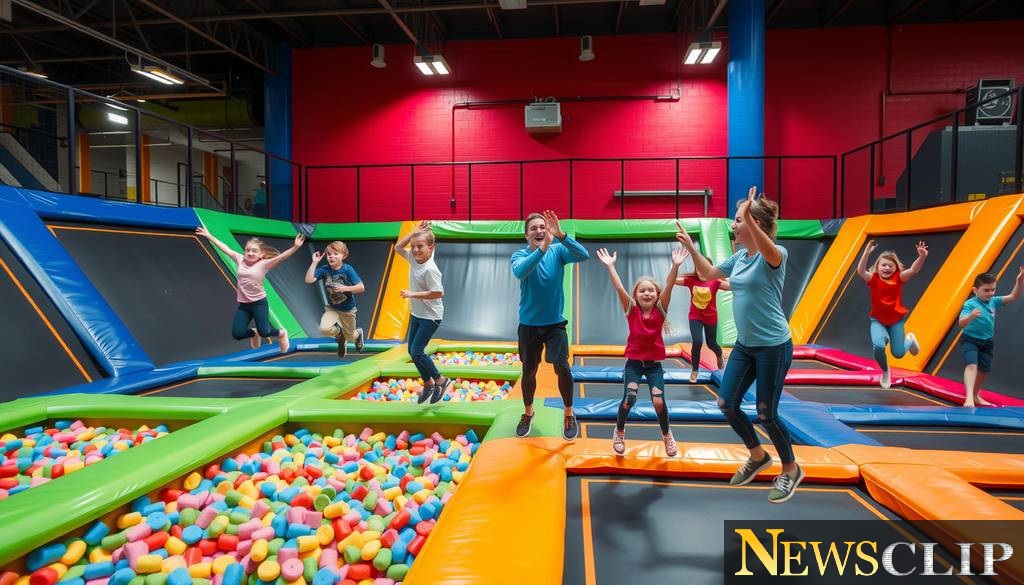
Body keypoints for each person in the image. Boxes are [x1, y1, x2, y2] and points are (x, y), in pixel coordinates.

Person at [675, 186, 801, 504]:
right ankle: (758, 456)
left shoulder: (776, 255)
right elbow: (708, 273)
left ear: (756, 224)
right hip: (745, 346)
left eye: (739, 219)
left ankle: (790, 469)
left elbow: (767, 247)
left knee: (766, 414)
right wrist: (691, 247)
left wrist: (749, 214)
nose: (733, 225)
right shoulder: (741, 257)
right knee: (726, 403)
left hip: (773, 346)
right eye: (735, 219)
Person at [596, 246, 685, 457]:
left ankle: (667, 435)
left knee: (658, 401)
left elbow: (669, 286)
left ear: (657, 295)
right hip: (634, 365)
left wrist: (675, 266)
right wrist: (611, 267)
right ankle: (619, 431)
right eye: (642, 290)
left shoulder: (660, 310)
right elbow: (619, 288)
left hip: (654, 366)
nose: (646, 293)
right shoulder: (631, 309)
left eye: (651, 290)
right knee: (629, 399)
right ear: (635, 295)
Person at [511, 210, 590, 441]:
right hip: (529, 325)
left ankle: (569, 413)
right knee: (529, 370)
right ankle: (528, 412)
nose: (539, 231)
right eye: (533, 228)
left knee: (562, 367)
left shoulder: (558, 251)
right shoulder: (519, 255)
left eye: (542, 228)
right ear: (526, 235)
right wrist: (542, 249)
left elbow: (583, 254)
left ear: (548, 231)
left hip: (555, 324)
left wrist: (562, 236)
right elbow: (521, 272)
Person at [195, 227, 303, 352]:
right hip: (244, 305)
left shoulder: (264, 264)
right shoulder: (240, 259)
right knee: (238, 334)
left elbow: (282, 257)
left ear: (261, 254)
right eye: (248, 250)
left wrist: (295, 247)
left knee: (265, 332)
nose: (250, 253)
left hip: (259, 304)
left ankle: (281, 333)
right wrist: (209, 236)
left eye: (254, 251)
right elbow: (225, 248)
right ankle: (254, 333)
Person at [393, 220, 453, 404]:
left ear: (430, 248)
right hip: (417, 314)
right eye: (414, 246)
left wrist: (413, 294)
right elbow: (397, 248)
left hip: (431, 317)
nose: (416, 250)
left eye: (420, 246)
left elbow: (438, 293)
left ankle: (440, 380)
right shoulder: (414, 258)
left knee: (417, 351)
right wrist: (413, 234)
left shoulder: (430, 269)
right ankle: (428, 383)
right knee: (412, 352)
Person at [855, 240, 927, 388]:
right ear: (877, 267)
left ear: (895, 268)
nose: (887, 268)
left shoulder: (898, 278)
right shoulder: (873, 279)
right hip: (878, 320)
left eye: (890, 266)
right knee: (878, 346)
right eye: (884, 265)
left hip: (896, 321)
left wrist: (922, 256)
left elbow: (913, 270)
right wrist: (866, 254)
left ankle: (909, 340)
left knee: (898, 354)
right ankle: (885, 371)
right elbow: (861, 271)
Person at [959, 268, 1023, 407]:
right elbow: (961, 323)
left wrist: (1019, 281)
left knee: (984, 371)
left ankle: (975, 395)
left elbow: (1013, 297)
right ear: (975, 290)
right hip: (970, 339)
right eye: (986, 290)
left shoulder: (993, 301)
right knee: (972, 365)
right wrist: (971, 316)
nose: (990, 293)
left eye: (992, 289)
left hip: (987, 341)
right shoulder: (970, 304)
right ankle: (968, 398)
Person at [676, 252, 730, 382]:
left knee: (712, 344)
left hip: (711, 317)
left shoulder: (715, 281)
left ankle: (719, 355)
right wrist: (675, 266)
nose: (701, 272)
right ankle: (694, 370)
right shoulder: (690, 280)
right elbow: (672, 280)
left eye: (705, 269)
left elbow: (731, 287)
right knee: (697, 341)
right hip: (695, 316)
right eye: (698, 269)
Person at [305, 241, 365, 357]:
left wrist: (345, 288)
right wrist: (314, 262)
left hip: (348, 309)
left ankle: (358, 334)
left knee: (350, 336)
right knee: (324, 329)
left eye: (335, 254)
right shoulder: (325, 270)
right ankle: (340, 336)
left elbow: (361, 287)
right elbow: (309, 280)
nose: (331, 256)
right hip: (332, 308)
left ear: (343, 256)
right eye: (329, 254)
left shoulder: (347, 269)